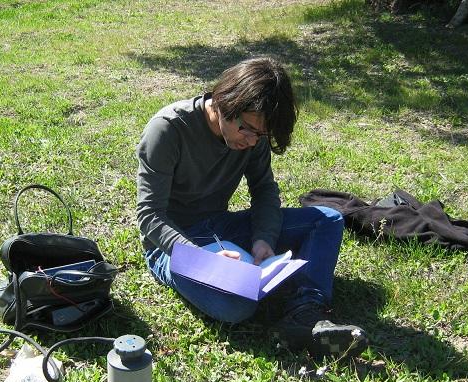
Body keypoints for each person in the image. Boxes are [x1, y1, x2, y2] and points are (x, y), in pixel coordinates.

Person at [136, 57, 368, 358]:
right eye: (247, 130)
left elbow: (264, 189)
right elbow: (150, 215)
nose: (252, 141)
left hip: (221, 226)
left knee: (328, 219)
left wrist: (264, 238)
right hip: (173, 248)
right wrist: (203, 259)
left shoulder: (254, 135)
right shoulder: (167, 129)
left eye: (261, 135)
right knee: (238, 307)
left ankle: (306, 312)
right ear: (225, 102)